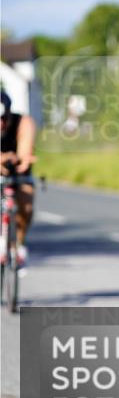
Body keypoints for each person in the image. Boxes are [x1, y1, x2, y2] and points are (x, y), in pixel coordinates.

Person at [0, 89, 37, 266]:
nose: (0, 123)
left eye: (3, 118)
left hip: (16, 171)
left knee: (26, 201)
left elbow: (25, 151)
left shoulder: (23, 122)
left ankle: (18, 245)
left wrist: (22, 159)